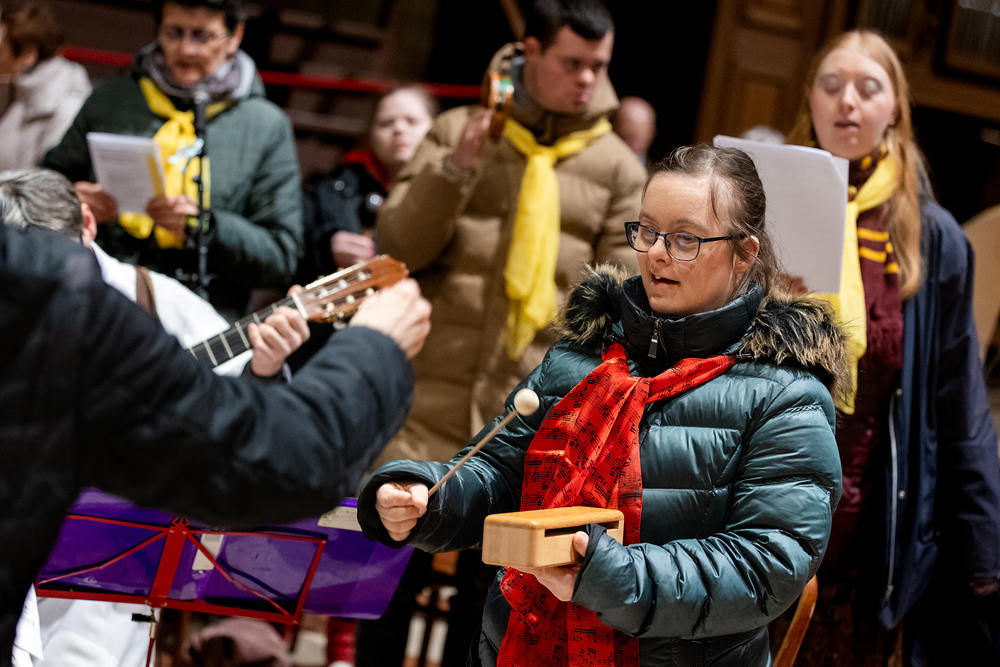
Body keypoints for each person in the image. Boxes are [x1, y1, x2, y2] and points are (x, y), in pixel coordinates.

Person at [358, 144, 846, 667]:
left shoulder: (784, 393)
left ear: (744, 253)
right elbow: (499, 473)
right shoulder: (582, 356)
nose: (657, 254)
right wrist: (429, 497)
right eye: (647, 231)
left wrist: (611, 576)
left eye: (685, 238)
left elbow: (766, 565)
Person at [0, 219, 431, 667]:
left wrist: (263, 371)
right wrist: (375, 349)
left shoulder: (77, 293)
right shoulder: (46, 288)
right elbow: (268, 463)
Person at [360, 1, 648, 662]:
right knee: (387, 594)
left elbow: (618, 313)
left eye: (598, 65)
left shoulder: (618, 169)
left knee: (486, 614)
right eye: (572, 63)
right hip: (425, 407)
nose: (587, 79)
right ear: (531, 51)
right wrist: (455, 170)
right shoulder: (460, 130)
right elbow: (397, 247)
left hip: (526, 427)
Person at [781, 30, 1000, 666]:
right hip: (753, 518)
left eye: (868, 88)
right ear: (811, 99)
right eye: (831, 85)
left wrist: (983, 553)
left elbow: (959, 404)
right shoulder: (759, 204)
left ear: (895, 108)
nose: (847, 101)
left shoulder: (934, 238)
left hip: (866, 544)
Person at [43, 0, 302, 319]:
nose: (186, 49)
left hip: (203, 315)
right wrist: (71, 200)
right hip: (100, 301)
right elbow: (44, 185)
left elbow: (280, 258)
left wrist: (205, 227)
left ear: (234, 37)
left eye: (202, 36)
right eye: (174, 33)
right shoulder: (111, 100)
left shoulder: (264, 125)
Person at [298, 84, 438, 282]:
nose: (399, 129)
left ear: (436, 127)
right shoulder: (334, 188)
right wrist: (324, 248)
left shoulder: (452, 188)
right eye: (386, 123)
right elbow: (291, 254)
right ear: (371, 134)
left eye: (411, 121)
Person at [0, 2, 91, 171]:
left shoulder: (68, 107)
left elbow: (48, 181)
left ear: (28, 56)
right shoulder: (20, 89)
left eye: (0, 51)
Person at [611, 95, 656, 166]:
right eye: (625, 137)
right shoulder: (600, 167)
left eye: (636, 137)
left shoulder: (657, 172)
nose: (629, 146)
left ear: (651, 134)